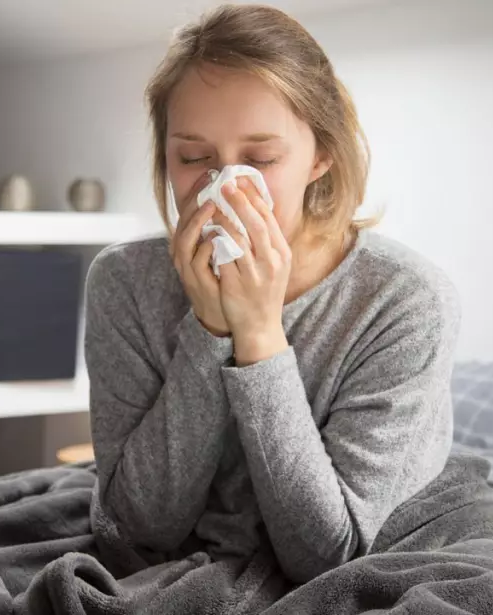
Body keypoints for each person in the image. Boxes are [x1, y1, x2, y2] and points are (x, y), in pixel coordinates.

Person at [84, 4, 460, 585]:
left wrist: (258, 334)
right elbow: (138, 529)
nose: (222, 185)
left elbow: (327, 556)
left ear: (323, 154)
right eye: (193, 157)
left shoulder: (404, 301)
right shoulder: (124, 280)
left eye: (261, 158)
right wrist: (208, 332)